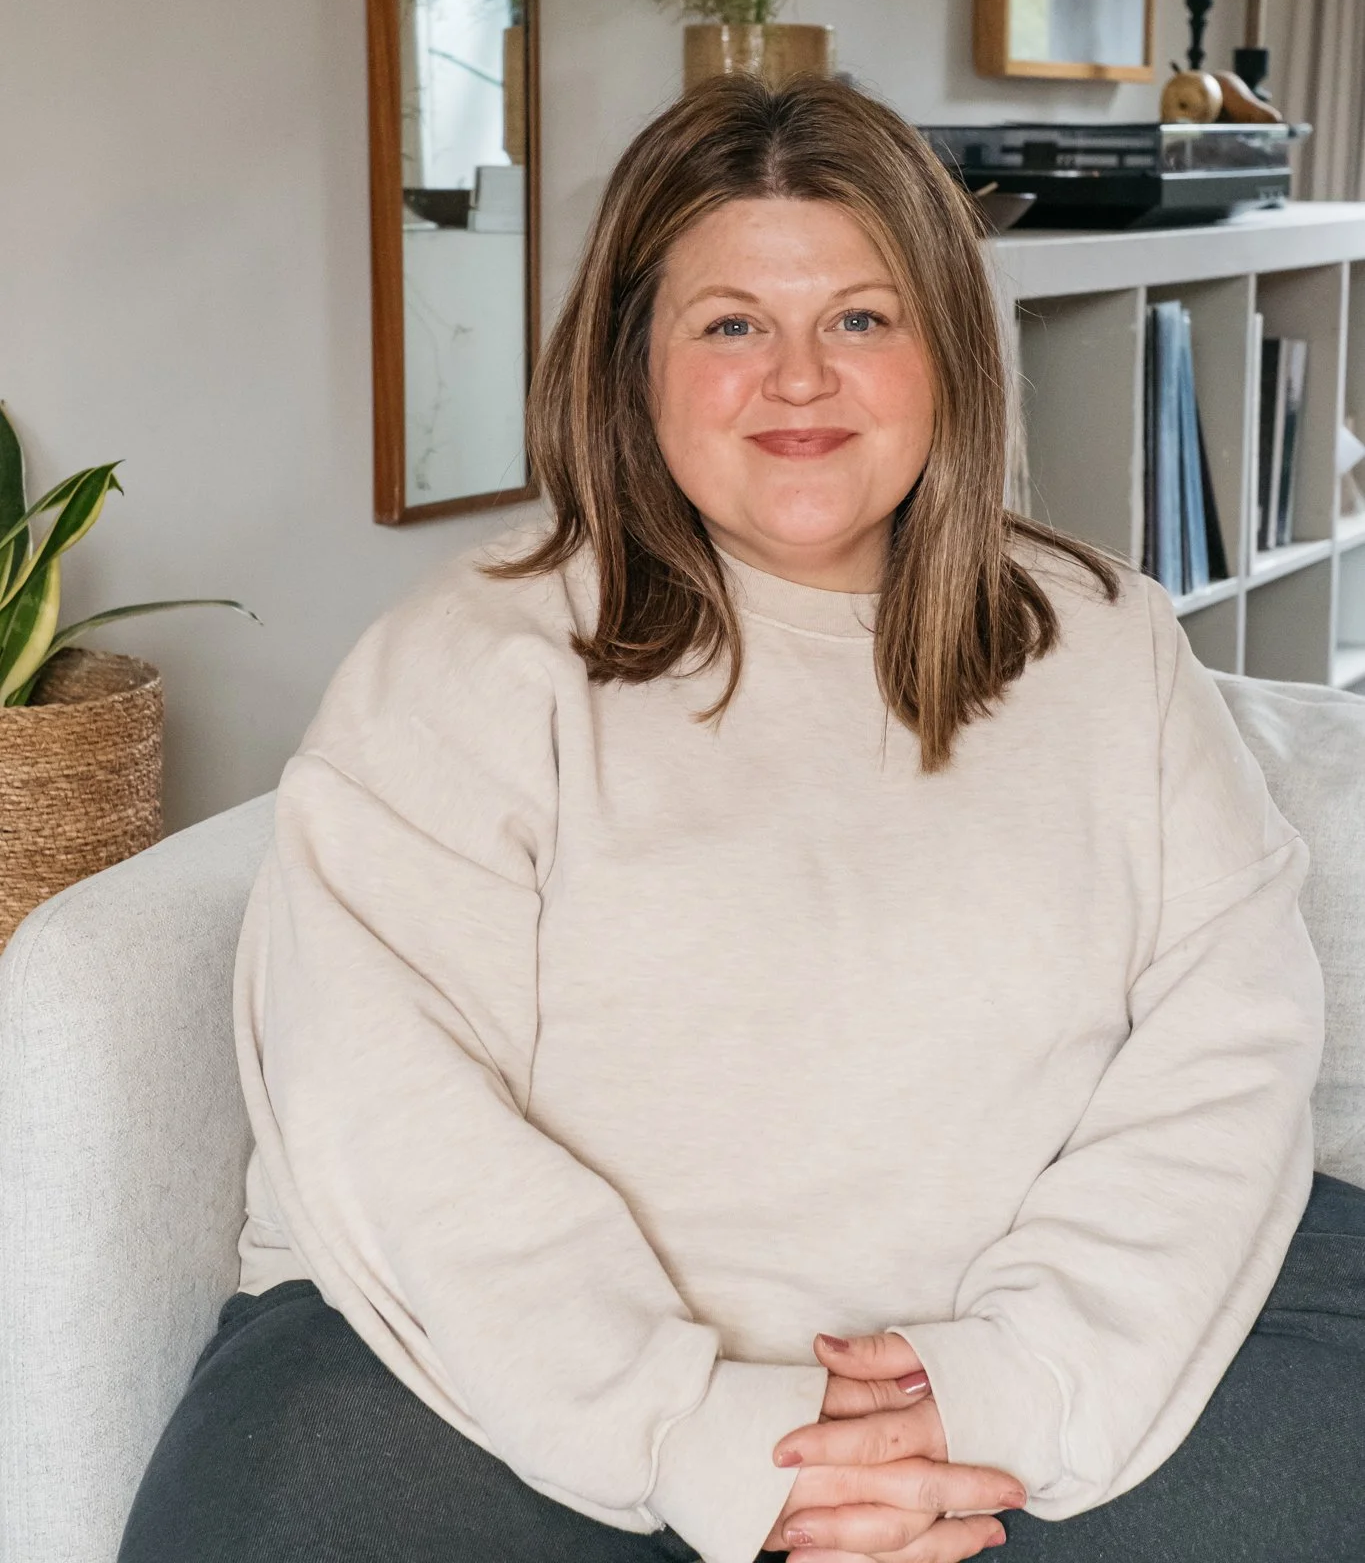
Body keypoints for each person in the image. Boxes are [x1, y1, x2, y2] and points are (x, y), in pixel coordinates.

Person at [120, 76, 1362, 1563]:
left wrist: (1008, 1390)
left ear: (951, 353)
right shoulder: (470, 662)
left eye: (861, 318)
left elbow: (1227, 1048)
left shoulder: (1111, 645)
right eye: (730, 326)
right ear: (631, 364)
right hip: (517, 1372)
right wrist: (702, 1439)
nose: (799, 380)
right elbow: (387, 1112)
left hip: (1031, 1344)